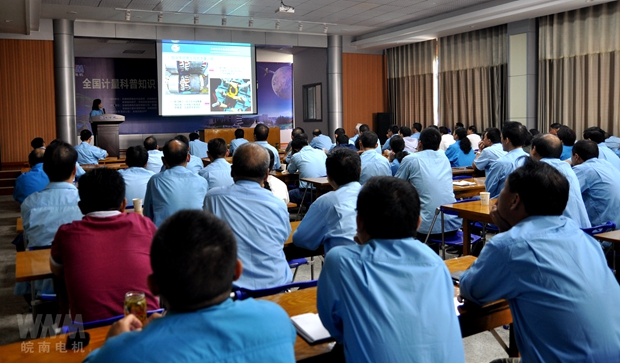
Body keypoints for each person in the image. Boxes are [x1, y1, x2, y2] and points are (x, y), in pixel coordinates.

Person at [460, 159, 620, 363]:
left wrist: (505, 233)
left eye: (503, 190)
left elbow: (471, 290)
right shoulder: (584, 238)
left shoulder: (509, 246)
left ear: (514, 200)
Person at [83, 210, 296, 363]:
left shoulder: (123, 353)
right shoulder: (276, 318)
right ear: (237, 270)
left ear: (153, 286)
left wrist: (114, 343)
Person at [317, 176, 465, 363]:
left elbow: (335, 327)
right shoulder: (436, 263)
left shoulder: (340, 261)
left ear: (359, 222)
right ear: (418, 223)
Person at [50, 168, 159, 322]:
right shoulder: (145, 225)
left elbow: (56, 270)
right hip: (145, 326)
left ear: (81, 207)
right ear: (123, 204)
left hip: (89, 334)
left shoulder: (66, 234)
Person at [204, 143, 291, 289]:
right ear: (266, 175)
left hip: (230, 289)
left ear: (231, 171)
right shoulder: (277, 204)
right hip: (275, 286)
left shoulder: (213, 198)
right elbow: (283, 237)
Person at [16, 140, 83, 298]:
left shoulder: (29, 204)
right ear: (75, 169)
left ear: (44, 169)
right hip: (81, 283)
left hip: (42, 284)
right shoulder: (87, 200)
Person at [395, 128, 461, 238]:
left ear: (420, 143)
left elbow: (395, 186)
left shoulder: (411, 159)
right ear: (439, 145)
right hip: (453, 222)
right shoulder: (444, 157)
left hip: (425, 226)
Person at [293, 148, 361, 253]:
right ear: (360, 170)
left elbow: (301, 239)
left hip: (344, 265)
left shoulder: (327, 202)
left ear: (328, 176)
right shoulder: (377, 196)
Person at [529, 134, 590, 228]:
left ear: (534, 150)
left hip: (559, 231)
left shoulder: (537, 170)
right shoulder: (567, 168)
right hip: (581, 229)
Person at [143, 139, 208, 227]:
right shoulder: (202, 181)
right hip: (195, 235)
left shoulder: (155, 181)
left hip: (164, 235)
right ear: (188, 158)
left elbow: (148, 214)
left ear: (163, 160)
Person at [571, 140, 620, 228]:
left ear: (576, 157)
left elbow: (563, 191)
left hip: (603, 230)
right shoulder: (606, 164)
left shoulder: (583, 170)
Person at [485, 121, 529, 198]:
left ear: (507, 140)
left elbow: (489, 191)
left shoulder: (500, 163)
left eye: (501, 137)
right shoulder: (531, 159)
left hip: (502, 205)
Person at [287, 134, 327, 204]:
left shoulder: (297, 156)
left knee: (286, 194)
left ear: (295, 149)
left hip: (308, 192)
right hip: (325, 191)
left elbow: (290, 170)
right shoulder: (321, 153)